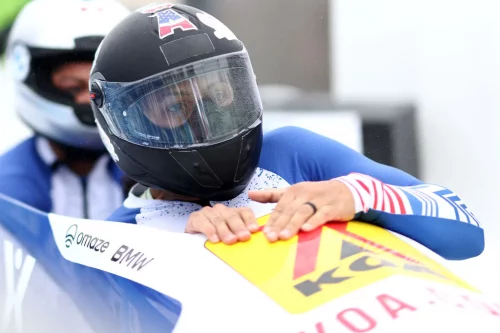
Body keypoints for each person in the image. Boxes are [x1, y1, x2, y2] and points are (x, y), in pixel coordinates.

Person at [91, 3, 483, 260]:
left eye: (220, 95)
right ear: (124, 123)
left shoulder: (293, 153)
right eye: (176, 107)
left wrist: (356, 194)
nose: (206, 119)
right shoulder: (116, 240)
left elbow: (466, 231)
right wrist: (176, 241)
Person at [0, 0, 131, 219]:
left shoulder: (157, 177)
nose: (88, 99)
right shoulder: (7, 183)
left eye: (99, 87)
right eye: (72, 86)